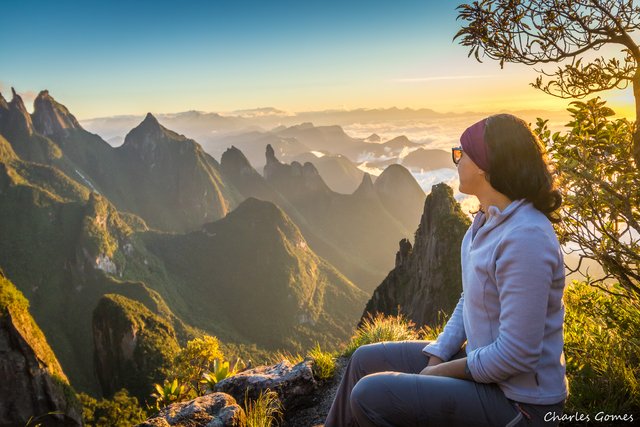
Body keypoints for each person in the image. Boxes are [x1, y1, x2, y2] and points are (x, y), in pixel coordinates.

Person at [324, 114, 568, 427]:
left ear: (484, 163)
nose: (456, 159)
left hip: (521, 405)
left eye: (460, 153)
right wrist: (438, 353)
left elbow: (517, 355)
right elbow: (470, 298)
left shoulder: (526, 238)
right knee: (363, 361)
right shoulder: (484, 223)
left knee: (370, 394)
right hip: (488, 377)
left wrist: (440, 371)